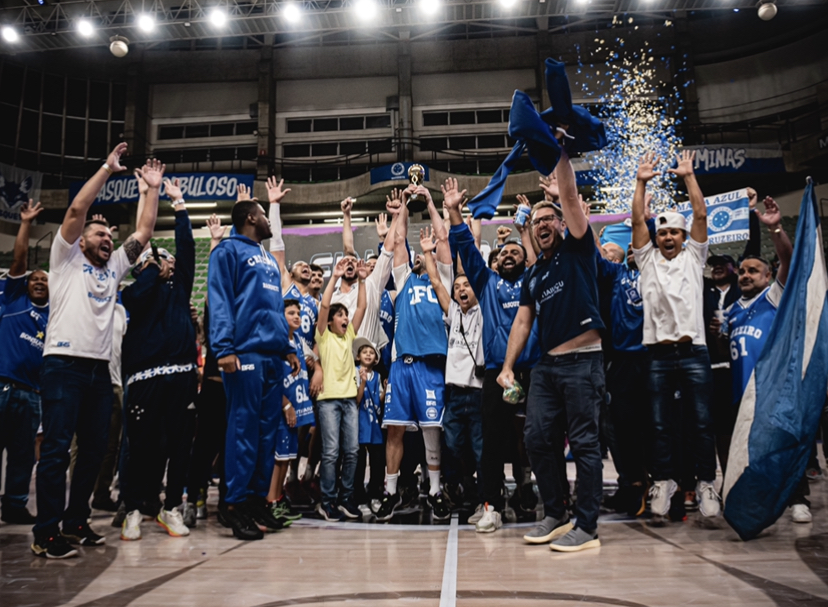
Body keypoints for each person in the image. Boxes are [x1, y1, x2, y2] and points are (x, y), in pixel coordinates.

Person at [32, 145, 163, 559]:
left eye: (109, 236)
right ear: (81, 240)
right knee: (55, 450)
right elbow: (75, 211)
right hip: (63, 364)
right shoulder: (65, 258)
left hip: (99, 372)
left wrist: (153, 191)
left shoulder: (115, 267)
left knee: (91, 452)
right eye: (100, 234)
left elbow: (142, 233)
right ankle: (46, 531)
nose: (107, 239)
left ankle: (75, 521)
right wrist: (108, 169)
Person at [498, 146, 605, 552]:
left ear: (560, 223)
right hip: (547, 367)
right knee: (537, 438)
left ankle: (588, 526)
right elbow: (523, 321)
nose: (542, 224)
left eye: (549, 219)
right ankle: (556, 513)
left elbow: (572, 196)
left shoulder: (578, 248)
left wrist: (559, 151)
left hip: (583, 363)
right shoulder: (534, 273)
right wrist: (508, 366)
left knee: (584, 444)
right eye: (537, 220)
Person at [445, 179, 542, 533]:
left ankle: (553, 503)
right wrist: (454, 212)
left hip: (534, 370)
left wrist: (525, 230)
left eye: (515, 252)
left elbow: (539, 257)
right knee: (491, 444)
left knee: (540, 437)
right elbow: (466, 249)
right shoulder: (487, 283)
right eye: (503, 254)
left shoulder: (534, 280)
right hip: (496, 374)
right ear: (496, 262)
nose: (509, 255)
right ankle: (490, 505)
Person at [631, 150, 718, 520]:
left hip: (694, 351)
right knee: (659, 424)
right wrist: (640, 182)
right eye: (662, 231)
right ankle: (664, 480)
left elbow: (700, 214)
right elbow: (637, 219)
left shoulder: (694, 258)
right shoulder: (646, 259)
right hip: (657, 355)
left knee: (701, 422)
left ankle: (705, 484)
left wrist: (688, 176)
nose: (667, 236)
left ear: (683, 237)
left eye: (673, 232)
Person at [208, 198, 301, 540]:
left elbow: (276, 308)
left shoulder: (266, 258)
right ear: (251, 217)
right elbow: (218, 299)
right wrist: (224, 347)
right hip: (243, 352)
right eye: (264, 214)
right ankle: (233, 504)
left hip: (272, 356)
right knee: (242, 431)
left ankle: (256, 501)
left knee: (267, 434)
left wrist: (287, 347)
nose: (269, 220)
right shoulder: (227, 251)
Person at [119, 177, 198, 541]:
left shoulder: (180, 286)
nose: (166, 259)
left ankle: (171, 509)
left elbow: (187, 247)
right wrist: (151, 268)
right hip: (145, 378)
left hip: (181, 375)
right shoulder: (136, 291)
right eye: (157, 257)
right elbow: (138, 293)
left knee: (180, 448)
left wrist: (179, 204)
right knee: (144, 449)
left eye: (166, 258)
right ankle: (134, 507)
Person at [377, 186, 453, 523]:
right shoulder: (405, 277)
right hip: (401, 366)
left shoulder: (444, 282)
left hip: (431, 366)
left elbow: (442, 237)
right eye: (419, 252)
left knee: (431, 430)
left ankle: (436, 490)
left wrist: (432, 203)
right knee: (394, 430)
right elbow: (398, 239)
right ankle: (389, 492)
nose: (422, 252)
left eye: (430, 251)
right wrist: (403, 207)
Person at [721, 198, 795, 519]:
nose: (747, 275)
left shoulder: (773, 296)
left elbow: (787, 259)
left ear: (767, 277)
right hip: (740, 392)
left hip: (770, 388)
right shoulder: (731, 311)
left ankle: (798, 497)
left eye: (755, 271)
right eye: (744, 271)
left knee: (778, 446)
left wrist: (775, 228)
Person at [421, 225, 487, 526]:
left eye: (467, 285)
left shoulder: (485, 310)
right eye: (458, 286)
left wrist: (473, 234)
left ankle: (483, 501)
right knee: (454, 447)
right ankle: (465, 489)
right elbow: (436, 282)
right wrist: (426, 253)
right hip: (454, 393)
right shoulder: (453, 313)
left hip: (477, 392)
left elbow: (475, 268)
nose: (461, 289)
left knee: (479, 449)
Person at [0, 200, 48, 525]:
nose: (40, 282)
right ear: (26, 283)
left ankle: (15, 506)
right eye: (35, 279)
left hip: (32, 395)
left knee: (21, 456)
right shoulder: (14, 299)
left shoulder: (54, 317)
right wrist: (27, 223)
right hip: (2, 387)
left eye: (45, 280)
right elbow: (19, 260)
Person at [596, 242, 649, 517]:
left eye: (636, 245)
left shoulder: (658, 270)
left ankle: (668, 484)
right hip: (620, 359)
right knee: (619, 427)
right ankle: (633, 483)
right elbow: (590, 252)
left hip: (655, 357)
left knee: (657, 426)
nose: (632, 247)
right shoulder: (617, 274)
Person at [313, 257, 368, 521]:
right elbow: (324, 305)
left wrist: (363, 280)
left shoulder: (349, 335)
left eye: (345, 315)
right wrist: (333, 278)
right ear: (331, 321)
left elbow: (362, 305)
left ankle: (346, 499)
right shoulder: (323, 334)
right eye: (340, 315)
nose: (345, 318)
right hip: (328, 401)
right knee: (331, 452)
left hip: (349, 400)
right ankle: (327, 501)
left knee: (353, 451)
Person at [187, 214, 229, 522]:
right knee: (204, 447)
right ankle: (194, 495)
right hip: (214, 386)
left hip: (236, 387)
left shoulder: (243, 305)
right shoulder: (216, 307)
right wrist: (215, 241)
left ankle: (228, 502)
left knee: (230, 449)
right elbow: (213, 283)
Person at [267, 298, 314, 525]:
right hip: (281, 409)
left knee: (286, 458)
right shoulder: (275, 342)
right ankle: (270, 502)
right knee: (277, 458)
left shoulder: (298, 341)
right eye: (291, 313)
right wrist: (285, 404)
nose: (297, 316)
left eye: (298, 313)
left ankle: (278, 497)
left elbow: (313, 364)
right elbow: (272, 380)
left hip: (296, 410)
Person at [353, 337, 384, 506]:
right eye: (364, 352)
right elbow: (356, 400)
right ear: (358, 356)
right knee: (359, 460)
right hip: (360, 421)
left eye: (371, 352)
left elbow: (378, 400)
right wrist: (363, 382)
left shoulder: (378, 376)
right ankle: (358, 494)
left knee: (377, 460)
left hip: (374, 424)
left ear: (376, 359)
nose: (368, 354)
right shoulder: (355, 371)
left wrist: (385, 392)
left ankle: (375, 492)